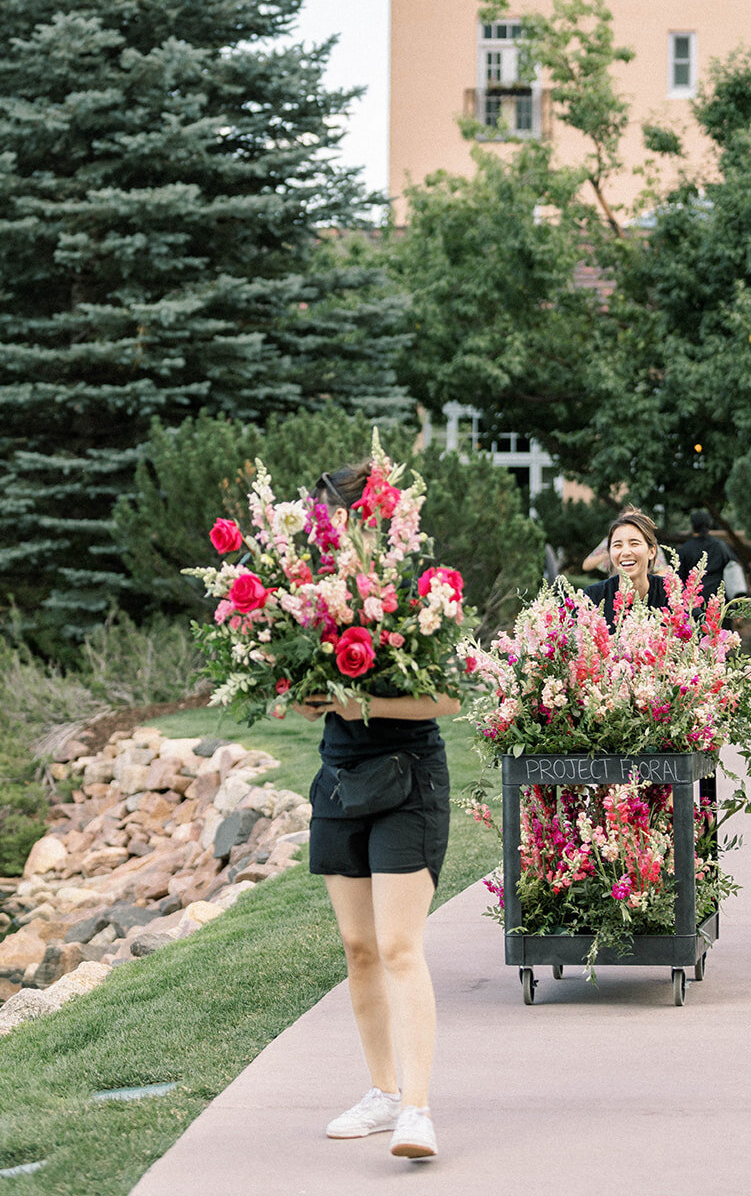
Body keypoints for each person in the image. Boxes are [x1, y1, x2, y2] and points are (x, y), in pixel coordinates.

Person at [294, 463, 459, 1162]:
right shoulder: (308, 600)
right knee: (359, 950)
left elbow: (447, 702)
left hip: (409, 780)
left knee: (397, 946)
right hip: (339, 782)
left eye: (342, 522)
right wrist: (304, 698)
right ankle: (381, 1091)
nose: (332, 537)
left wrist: (356, 705)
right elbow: (301, 693)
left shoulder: (420, 593)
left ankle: (416, 1111)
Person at [583, 508, 669, 625]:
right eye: (617, 545)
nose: (626, 552)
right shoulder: (593, 597)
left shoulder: (671, 595)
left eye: (634, 543)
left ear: (652, 551)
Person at [677, 509, 746, 604]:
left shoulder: (684, 549)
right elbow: (733, 570)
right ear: (709, 525)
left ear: (693, 526)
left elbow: (679, 579)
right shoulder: (720, 545)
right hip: (719, 600)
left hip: (694, 603)